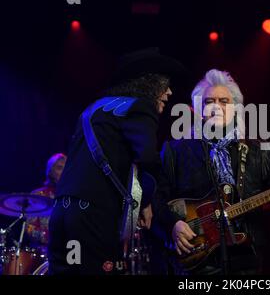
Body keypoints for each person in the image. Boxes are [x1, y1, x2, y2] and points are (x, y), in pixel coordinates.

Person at [153, 69, 270, 275]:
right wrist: (173, 225)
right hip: (196, 258)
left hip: (247, 256)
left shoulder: (256, 149)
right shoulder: (175, 151)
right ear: (197, 109)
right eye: (209, 101)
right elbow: (157, 199)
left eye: (224, 101)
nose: (217, 107)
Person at [48, 48, 186, 275]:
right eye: (165, 85)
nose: (169, 92)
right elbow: (148, 159)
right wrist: (147, 201)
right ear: (150, 83)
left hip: (62, 213)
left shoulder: (92, 108)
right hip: (92, 216)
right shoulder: (140, 107)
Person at [26, 153, 66, 248]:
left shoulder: (74, 196)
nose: (64, 172)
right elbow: (29, 228)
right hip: (44, 252)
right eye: (59, 168)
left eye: (66, 168)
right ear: (50, 172)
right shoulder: (38, 196)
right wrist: (50, 237)